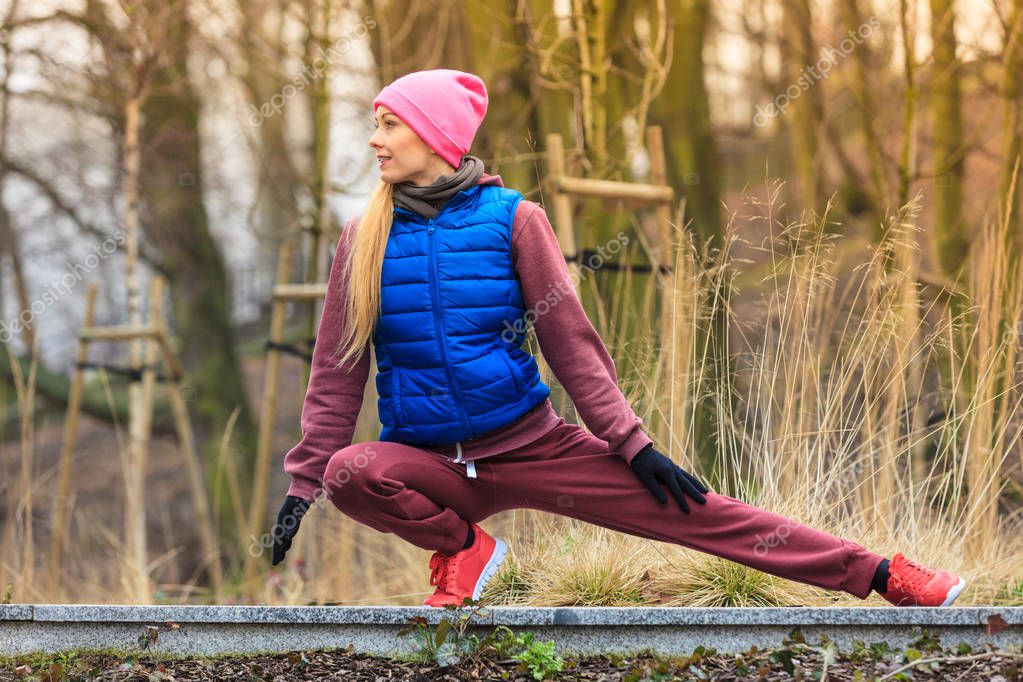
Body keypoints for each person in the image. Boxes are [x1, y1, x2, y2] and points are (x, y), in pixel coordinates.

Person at [269, 68, 966, 609]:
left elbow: (572, 344)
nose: (375, 139)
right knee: (352, 471)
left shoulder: (515, 220)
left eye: (389, 124)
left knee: (703, 515)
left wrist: (631, 444)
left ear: (436, 135)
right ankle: (464, 550)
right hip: (427, 462)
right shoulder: (363, 239)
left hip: (529, 443)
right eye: (375, 124)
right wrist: (305, 481)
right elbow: (337, 369)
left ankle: (885, 575)